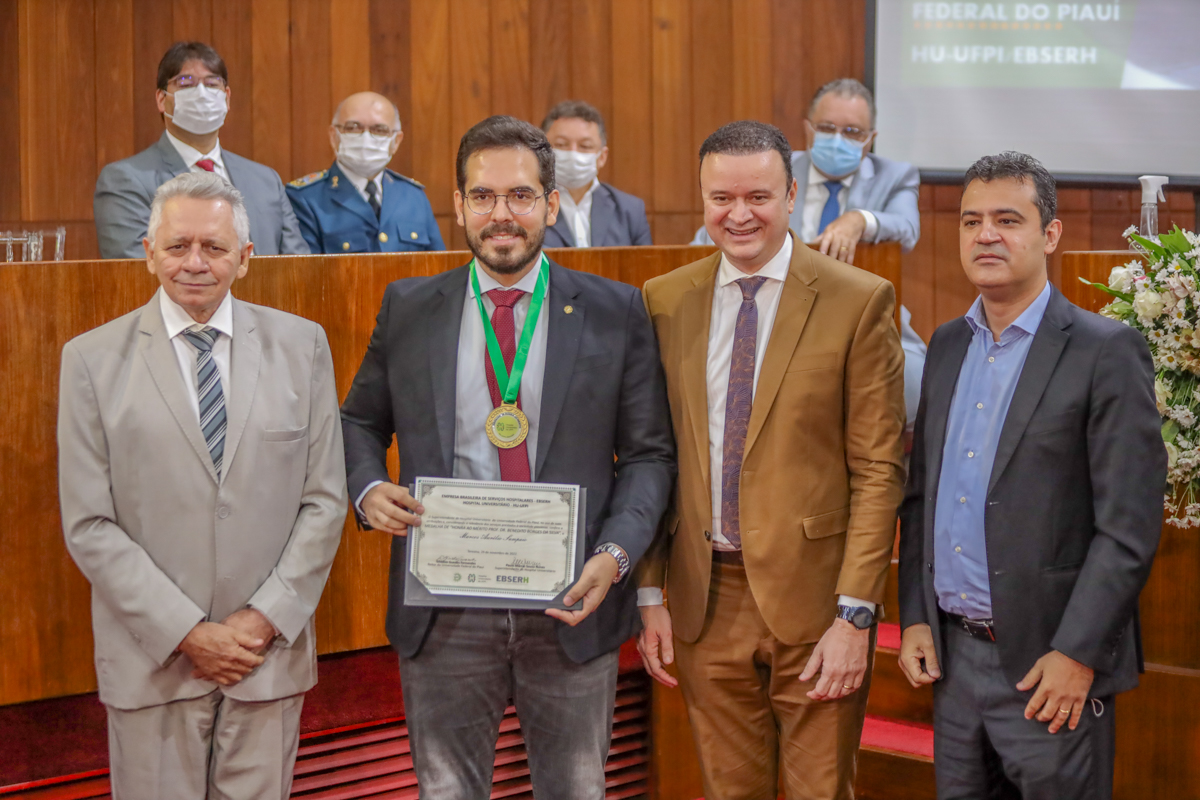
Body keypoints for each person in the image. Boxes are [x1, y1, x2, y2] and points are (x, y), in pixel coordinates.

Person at [340, 115, 674, 799]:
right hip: (445, 609)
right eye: (483, 195)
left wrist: (615, 556)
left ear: (550, 205)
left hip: (571, 603)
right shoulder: (410, 308)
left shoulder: (615, 311)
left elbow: (649, 457)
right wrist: (369, 489)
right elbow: (358, 423)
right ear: (458, 205)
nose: (502, 214)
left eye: (520, 195)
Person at [637, 120, 906, 799]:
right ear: (702, 199)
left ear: (790, 195)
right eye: (721, 198)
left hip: (818, 602)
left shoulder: (858, 299)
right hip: (704, 600)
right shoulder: (664, 300)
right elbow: (652, 456)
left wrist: (856, 615)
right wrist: (649, 592)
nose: (739, 215)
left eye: (757, 197)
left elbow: (879, 470)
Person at [59, 171, 347, 799]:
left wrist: (263, 620)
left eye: (214, 247)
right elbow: (89, 524)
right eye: (177, 246)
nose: (195, 262)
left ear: (245, 257)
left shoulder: (302, 346)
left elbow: (325, 501)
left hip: (265, 658)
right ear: (148, 253)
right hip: (154, 663)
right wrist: (187, 632)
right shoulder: (91, 360)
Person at [897, 152, 1165, 800]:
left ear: (1050, 234)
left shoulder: (1105, 350)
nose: (985, 235)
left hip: (1050, 668)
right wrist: (915, 617)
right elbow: (922, 495)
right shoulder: (948, 345)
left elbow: (1127, 529)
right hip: (953, 662)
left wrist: (1078, 653)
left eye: (1007, 220)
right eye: (971, 221)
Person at [94, 41, 309, 259]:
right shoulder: (126, 180)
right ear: (161, 99)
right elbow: (136, 269)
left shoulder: (266, 181)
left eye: (212, 83)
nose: (202, 93)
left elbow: (298, 268)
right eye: (185, 83)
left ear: (227, 98)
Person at [690, 78, 919, 265]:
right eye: (827, 128)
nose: (837, 139)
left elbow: (907, 229)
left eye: (852, 132)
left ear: (871, 138)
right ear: (808, 128)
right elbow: (707, 240)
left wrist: (859, 220)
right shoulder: (775, 168)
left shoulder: (894, 176)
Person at [286, 91, 445, 254]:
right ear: (334, 136)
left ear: (396, 141)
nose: (366, 138)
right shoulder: (305, 198)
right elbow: (305, 267)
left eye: (379, 129)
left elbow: (439, 265)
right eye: (353, 127)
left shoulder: (413, 196)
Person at [540, 100, 652, 248]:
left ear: (602, 157)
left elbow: (647, 261)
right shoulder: (528, 205)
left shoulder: (630, 210)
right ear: (543, 152)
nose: (573, 154)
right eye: (561, 144)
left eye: (585, 146)